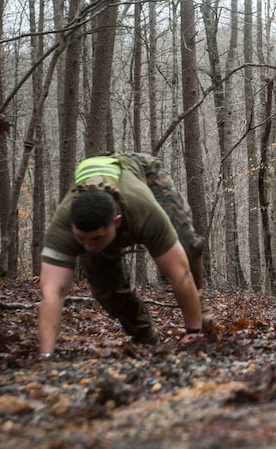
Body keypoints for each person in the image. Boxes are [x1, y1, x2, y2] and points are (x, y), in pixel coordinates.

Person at [38, 153, 208, 357]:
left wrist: (193, 331)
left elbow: (179, 274)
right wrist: (45, 355)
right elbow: (52, 292)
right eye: (81, 239)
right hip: (103, 200)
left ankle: (198, 308)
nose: (89, 247)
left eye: (96, 239)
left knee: (187, 248)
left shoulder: (143, 211)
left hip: (142, 172)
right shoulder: (63, 224)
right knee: (107, 289)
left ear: (117, 222)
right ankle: (145, 337)